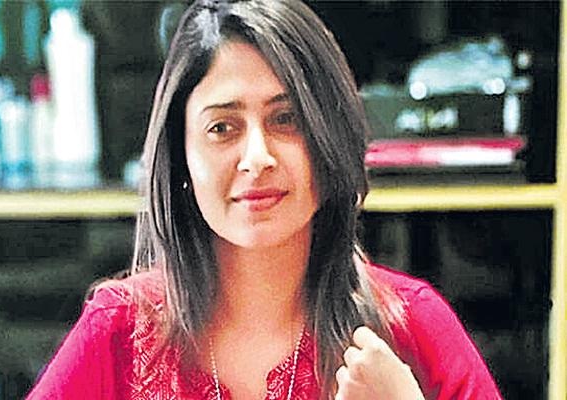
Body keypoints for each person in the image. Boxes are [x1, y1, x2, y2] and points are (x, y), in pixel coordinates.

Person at [26, 1, 502, 399]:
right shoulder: (118, 332)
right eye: (222, 127)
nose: (257, 158)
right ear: (180, 157)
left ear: (330, 138)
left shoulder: (412, 325)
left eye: (286, 119)